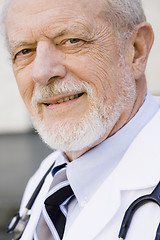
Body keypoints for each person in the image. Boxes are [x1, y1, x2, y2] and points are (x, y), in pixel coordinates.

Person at [5, 0, 160, 239]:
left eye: (71, 41)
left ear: (136, 50)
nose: (42, 73)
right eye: (25, 51)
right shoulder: (47, 178)